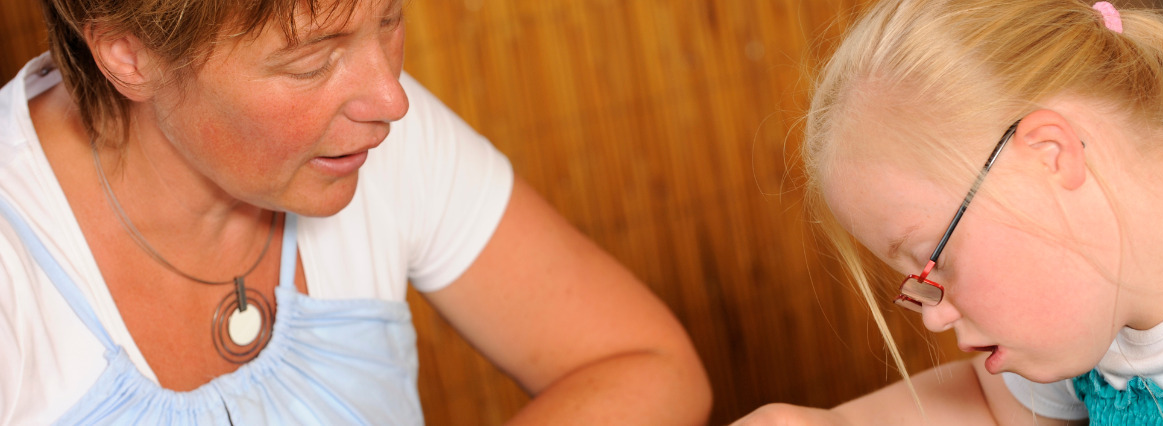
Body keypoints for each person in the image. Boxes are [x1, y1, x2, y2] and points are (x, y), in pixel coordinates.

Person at [0, 0, 712, 423]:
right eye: (312, 62)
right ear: (130, 54)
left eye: (390, 17)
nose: (391, 99)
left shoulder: (360, 141)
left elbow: (649, 365)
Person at [735, 0, 1163, 424]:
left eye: (934, 261)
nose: (934, 315)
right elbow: (990, 405)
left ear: (1050, 155)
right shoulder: (1096, 299)